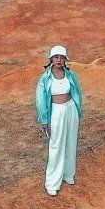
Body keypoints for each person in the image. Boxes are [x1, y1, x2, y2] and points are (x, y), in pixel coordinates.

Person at [35, 44, 83, 196]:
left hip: (70, 109)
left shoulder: (70, 74)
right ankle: (52, 183)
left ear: (65, 60)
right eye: (56, 57)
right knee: (56, 145)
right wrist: (44, 119)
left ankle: (68, 175)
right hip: (56, 111)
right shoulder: (45, 78)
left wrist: (77, 109)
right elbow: (40, 99)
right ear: (51, 59)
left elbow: (78, 92)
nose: (59, 60)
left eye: (62, 57)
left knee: (71, 141)